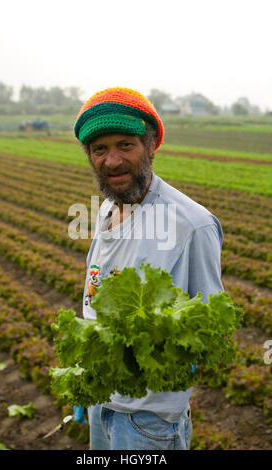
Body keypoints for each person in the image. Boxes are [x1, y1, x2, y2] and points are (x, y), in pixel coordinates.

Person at [73, 87, 224, 450]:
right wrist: (87, 374)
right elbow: (98, 292)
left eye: (125, 145)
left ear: (151, 143)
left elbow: (211, 327)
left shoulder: (192, 224)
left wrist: (167, 362)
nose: (111, 161)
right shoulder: (109, 209)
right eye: (99, 149)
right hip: (101, 404)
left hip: (147, 422)